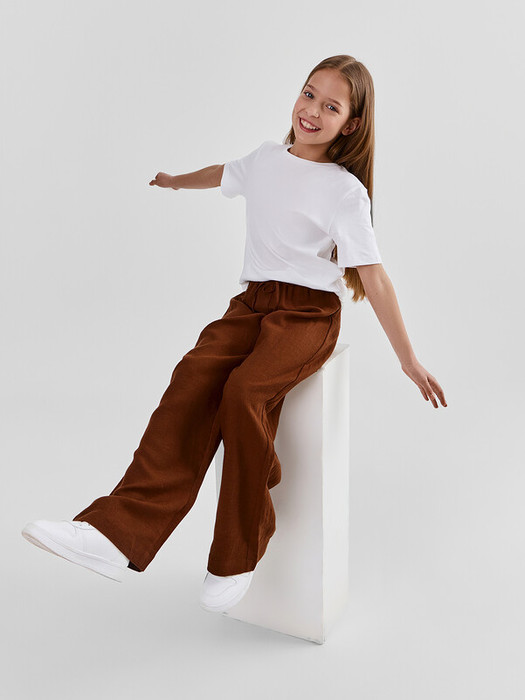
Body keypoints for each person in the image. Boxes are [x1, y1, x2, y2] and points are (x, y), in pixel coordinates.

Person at [21, 54, 447, 615]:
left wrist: (407, 359)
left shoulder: (345, 192)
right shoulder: (266, 159)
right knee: (193, 376)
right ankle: (114, 535)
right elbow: (222, 173)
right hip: (251, 305)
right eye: (309, 93)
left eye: (331, 106)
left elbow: (375, 277)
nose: (312, 111)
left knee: (246, 392)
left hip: (309, 314)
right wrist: (175, 182)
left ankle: (238, 551)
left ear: (351, 125)